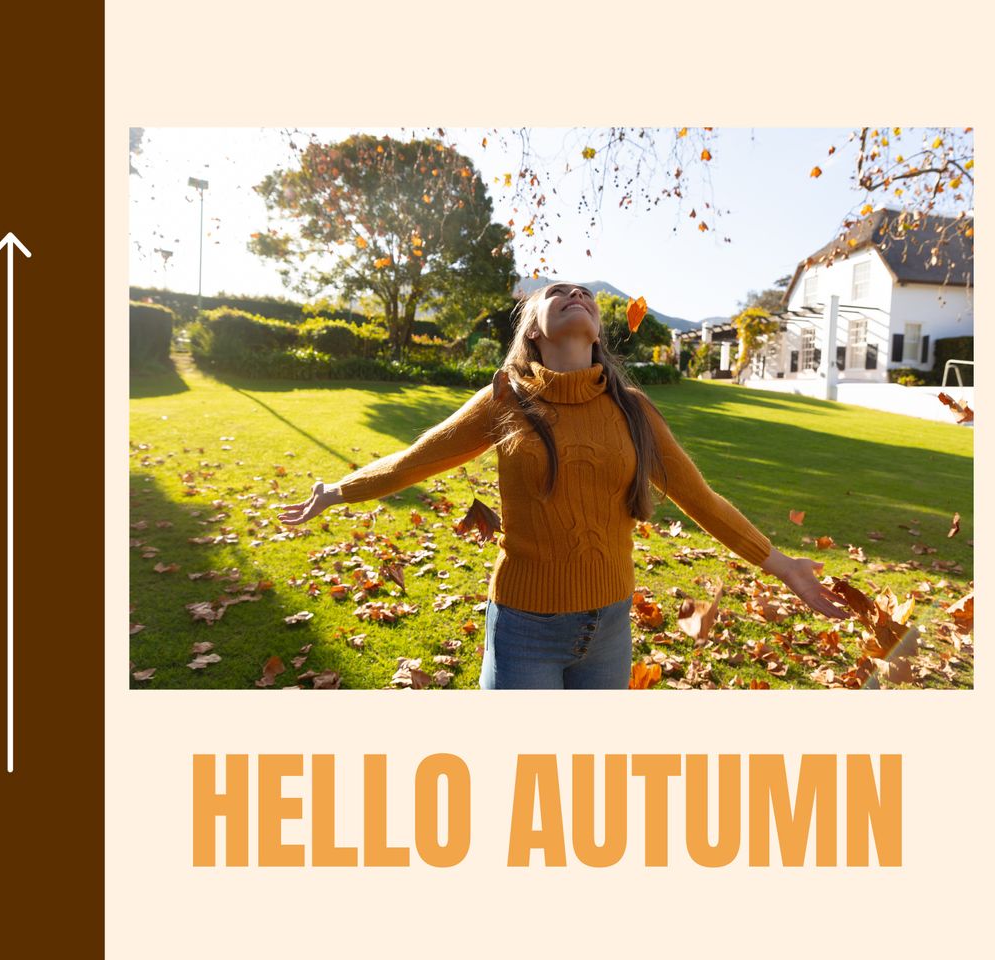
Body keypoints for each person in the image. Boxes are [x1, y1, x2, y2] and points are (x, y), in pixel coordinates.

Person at [277, 282, 849, 689]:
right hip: (525, 628)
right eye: (556, 293)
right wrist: (338, 490)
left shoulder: (633, 408)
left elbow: (699, 498)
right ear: (531, 330)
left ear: (598, 331)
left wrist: (780, 563)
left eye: (587, 295)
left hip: (610, 628)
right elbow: (413, 462)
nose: (576, 295)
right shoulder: (505, 400)